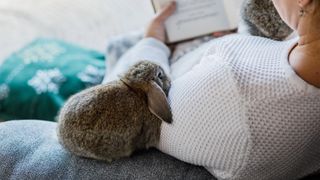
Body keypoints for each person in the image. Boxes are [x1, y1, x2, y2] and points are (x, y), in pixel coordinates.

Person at [105, 0, 320, 179]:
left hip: (174, 82)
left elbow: (139, 111)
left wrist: (152, 42)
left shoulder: (234, 90)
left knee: (121, 49)